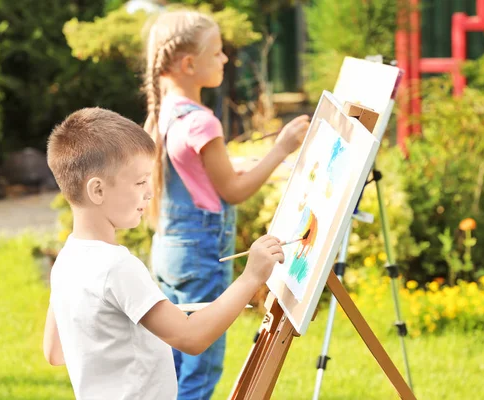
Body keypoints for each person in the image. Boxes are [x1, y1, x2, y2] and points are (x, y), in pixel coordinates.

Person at [42, 107, 285, 400]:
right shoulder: (117, 267)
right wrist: (251, 277)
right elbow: (191, 337)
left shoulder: (67, 260)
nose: (150, 192)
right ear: (97, 191)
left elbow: (55, 352)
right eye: (140, 181)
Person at [143, 11, 309, 399]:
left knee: (174, 367)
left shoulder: (165, 110)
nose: (225, 60)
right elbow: (233, 192)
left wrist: (240, 165)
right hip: (202, 258)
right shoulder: (201, 121)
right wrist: (281, 148)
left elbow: (196, 174)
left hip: (170, 253)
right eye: (217, 53)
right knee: (199, 373)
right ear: (188, 64)